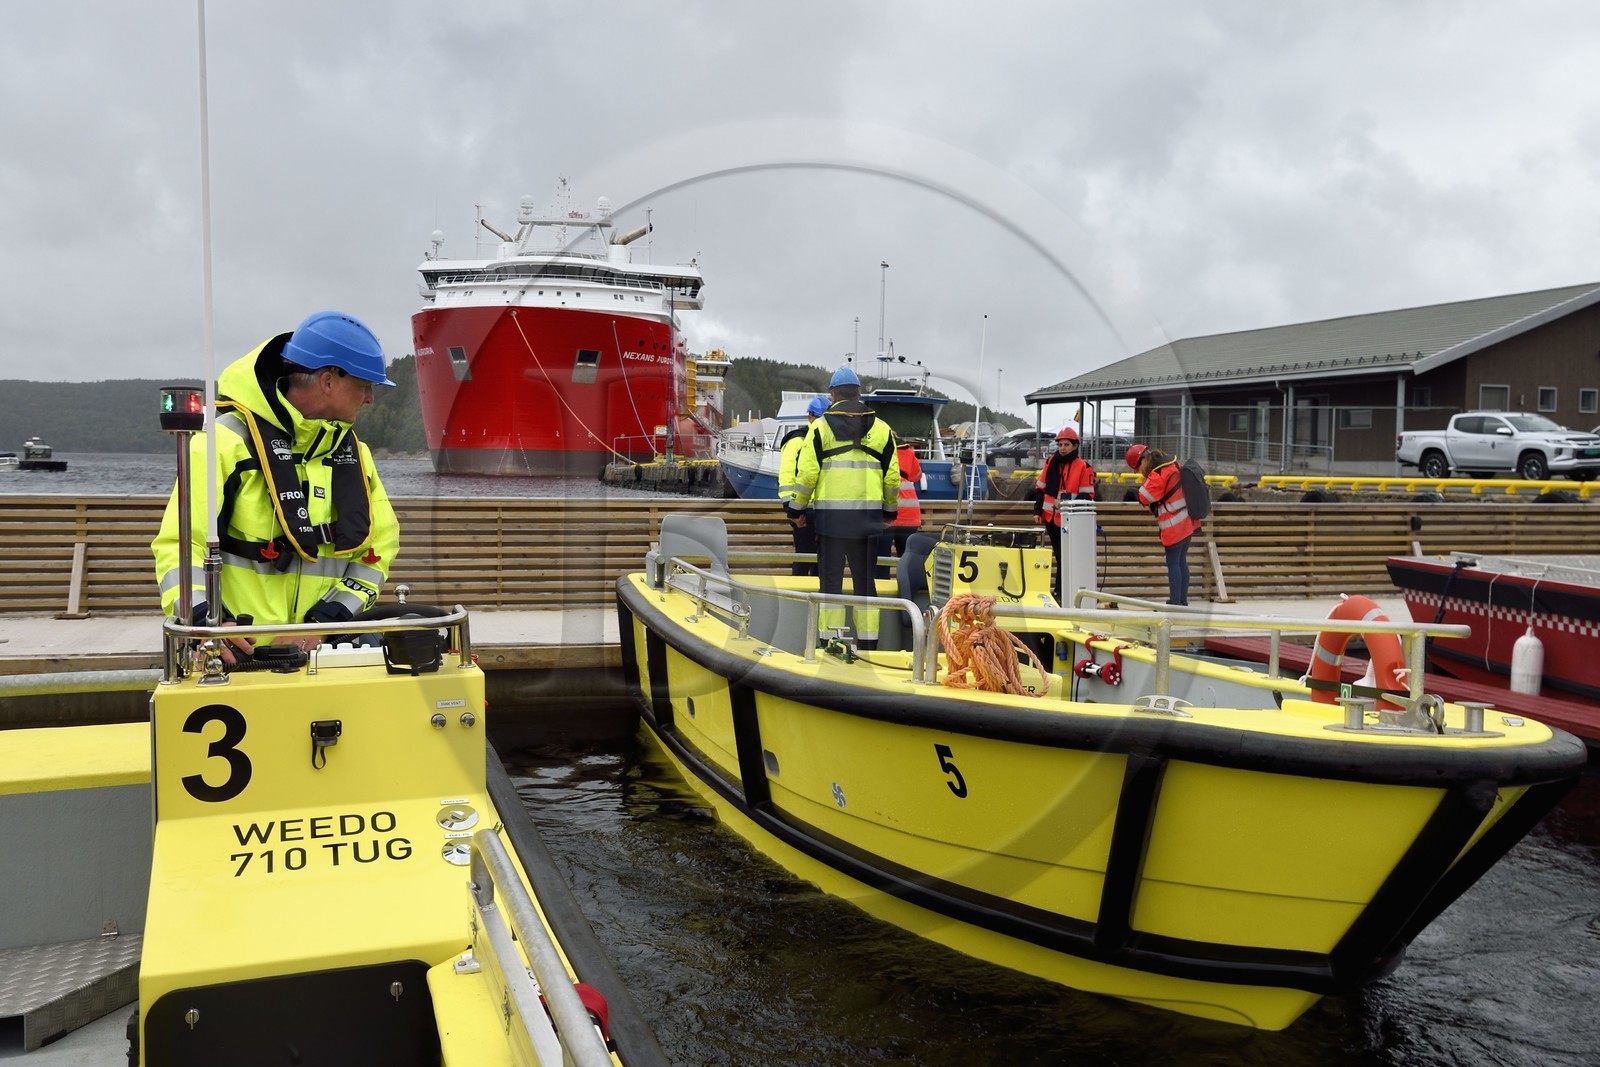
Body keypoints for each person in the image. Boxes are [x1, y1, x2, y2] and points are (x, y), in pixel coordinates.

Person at [152, 310, 400, 661]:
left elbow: (379, 551)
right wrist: (209, 624)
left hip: (326, 656)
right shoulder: (222, 444)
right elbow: (180, 547)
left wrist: (325, 624)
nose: (370, 398)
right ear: (328, 381)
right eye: (364, 386)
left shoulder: (356, 455)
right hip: (232, 658)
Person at [793, 365, 900, 649]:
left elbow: (806, 476)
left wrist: (797, 511)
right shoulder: (882, 429)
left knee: (831, 585)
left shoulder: (820, 428)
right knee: (866, 585)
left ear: (833, 395)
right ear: (858, 394)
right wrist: (889, 512)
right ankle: (868, 646)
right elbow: (892, 477)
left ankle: (830, 644)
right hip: (868, 522)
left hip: (831, 523)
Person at [1126, 442, 1200, 606]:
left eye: (1138, 468)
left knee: (1173, 563)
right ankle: (1182, 600)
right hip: (1188, 521)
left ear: (1142, 461)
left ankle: (1175, 601)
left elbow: (1144, 497)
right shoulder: (1174, 464)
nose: (1140, 473)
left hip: (1173, 525)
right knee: (1182, 562)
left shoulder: (1158, 473)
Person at [1033, 425, 1096, 589]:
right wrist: (1037, 511)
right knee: (1061, 556)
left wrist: (1066, 504)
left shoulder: (1084, 467)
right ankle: (1061, 591)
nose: (1062, 448)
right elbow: (1040, 487)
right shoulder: (1051, 462)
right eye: (1060, 445)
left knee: (1064, 557)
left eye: (1066, 444)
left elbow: (1087, 496)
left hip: (1071, 520)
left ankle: (1061, 591)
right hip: (1050, 518)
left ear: (1075, 446)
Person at [778, 395, 829, 576]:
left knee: (822, 563)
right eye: (819, 419)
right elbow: (787, 477)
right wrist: (792, 512)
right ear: (810, 417)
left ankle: (818, 599)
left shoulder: (827, 440)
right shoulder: (797, 441)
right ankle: (797, 598)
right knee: (804, 558)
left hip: (824, 511)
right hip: (804, 512)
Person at [877, 437, 924, 578]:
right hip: (910, 515)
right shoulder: (909, 452)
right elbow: (917, 476)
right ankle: (906, 593)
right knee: (907, 561)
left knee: (881, 560)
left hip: (886, 516)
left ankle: (882, 596)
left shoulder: (878, 451)